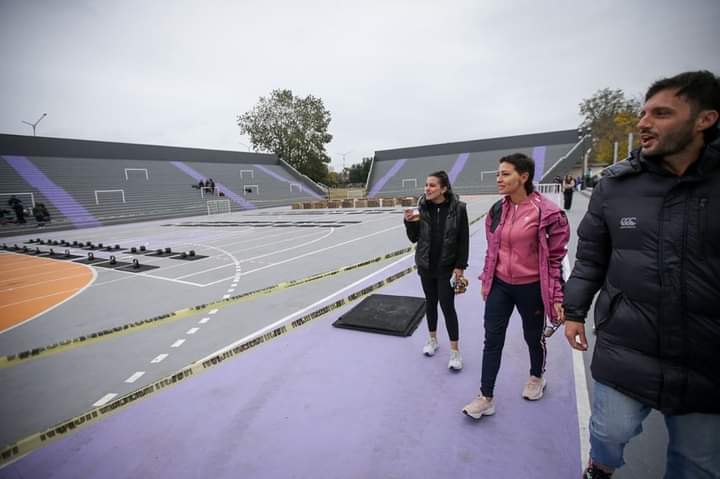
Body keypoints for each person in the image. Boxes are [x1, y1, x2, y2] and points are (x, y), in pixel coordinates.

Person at [563, 71, 720, 479]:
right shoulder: (616, 185)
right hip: (627, 341)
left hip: (707, 354)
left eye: (661, 113)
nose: (643, 123)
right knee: (608, 432)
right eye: (643, 113)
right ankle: (599, 468)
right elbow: (591, 256)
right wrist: (574, 310)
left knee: (697, 462)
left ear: (705, 119)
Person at [462, 153, 570, 419]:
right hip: (500, 286)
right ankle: (486, 397)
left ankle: (537, 377)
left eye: (506, 174)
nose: (499, 179)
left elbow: (555, 259)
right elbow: (492, 250)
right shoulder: (497, 211)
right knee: (492, 340)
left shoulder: (548, 212)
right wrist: (487, 280)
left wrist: (557, 296)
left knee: (532, 337)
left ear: (524, 177)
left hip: (531, 287)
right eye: (498, 173)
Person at [404, 171, 469, 371]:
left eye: (432, 185)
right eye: (426, 185)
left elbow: (463, 240)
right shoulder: (422, 208)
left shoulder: (458, 208)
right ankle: (432, 340)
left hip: (446, 267)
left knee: (447, 307)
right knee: (430, 304)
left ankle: (455, 352)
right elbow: (415, 239)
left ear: (444, 188)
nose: (427, 189)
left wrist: (460, 267)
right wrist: (409, 223)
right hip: (426, 265)